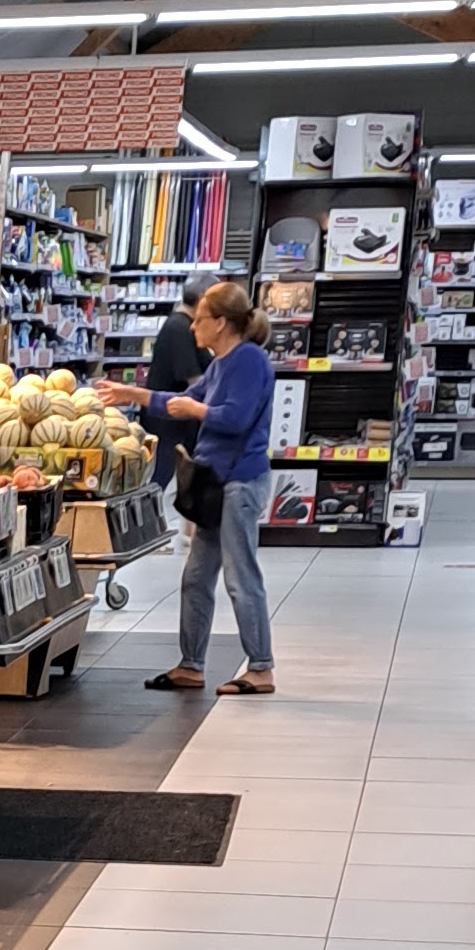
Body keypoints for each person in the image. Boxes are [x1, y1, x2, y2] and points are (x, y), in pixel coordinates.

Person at [147, 277, 276, 693]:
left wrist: (195, 409)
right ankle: (191, 665)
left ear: (220, 323)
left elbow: (235, 418)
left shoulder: (249, 360)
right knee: (196, 577)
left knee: (241, 578)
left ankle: (261, 668)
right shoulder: (220, 364)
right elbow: (176, 402)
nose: (192, 326)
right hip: (215, 485)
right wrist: (130, 394)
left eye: (200, 318)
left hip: (240, 482)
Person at [144, 274, 213, 513]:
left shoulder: (182, 326)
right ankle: (150, 524)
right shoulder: (179, 328)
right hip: (168, 422)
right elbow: (193, 378)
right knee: (159, 482)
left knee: (173, 482)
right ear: (202, 299)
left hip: (177, 418)